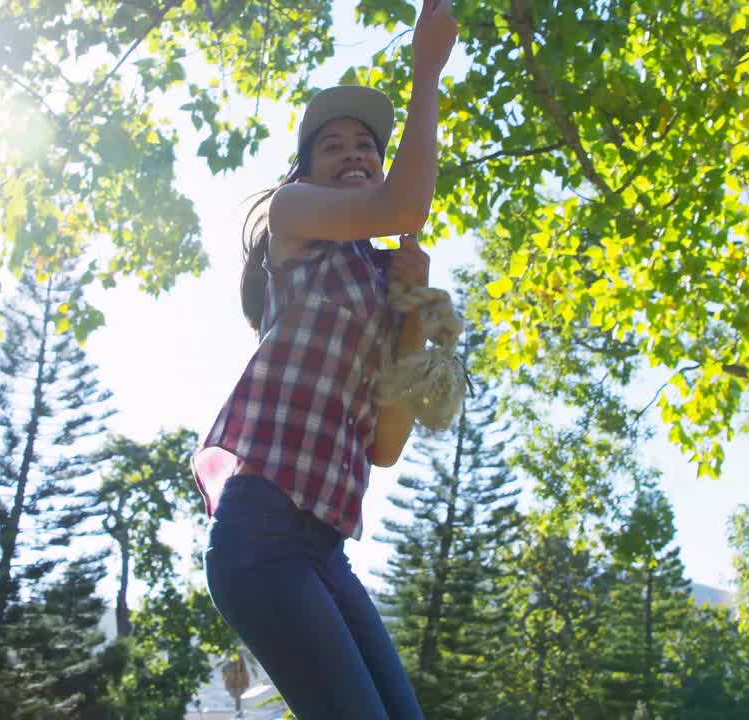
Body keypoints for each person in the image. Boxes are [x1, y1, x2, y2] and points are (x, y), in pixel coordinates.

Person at [189, 0, 457, 717]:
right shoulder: (293, 218)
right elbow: (406, 206)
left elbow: (386, 445)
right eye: (332, 145)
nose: (354, 154)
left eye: (366, 146)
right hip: (261, 533)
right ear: (306, 170)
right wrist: (426, 69)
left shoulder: (378, 285)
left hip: (325, 552)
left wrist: (409, 309)